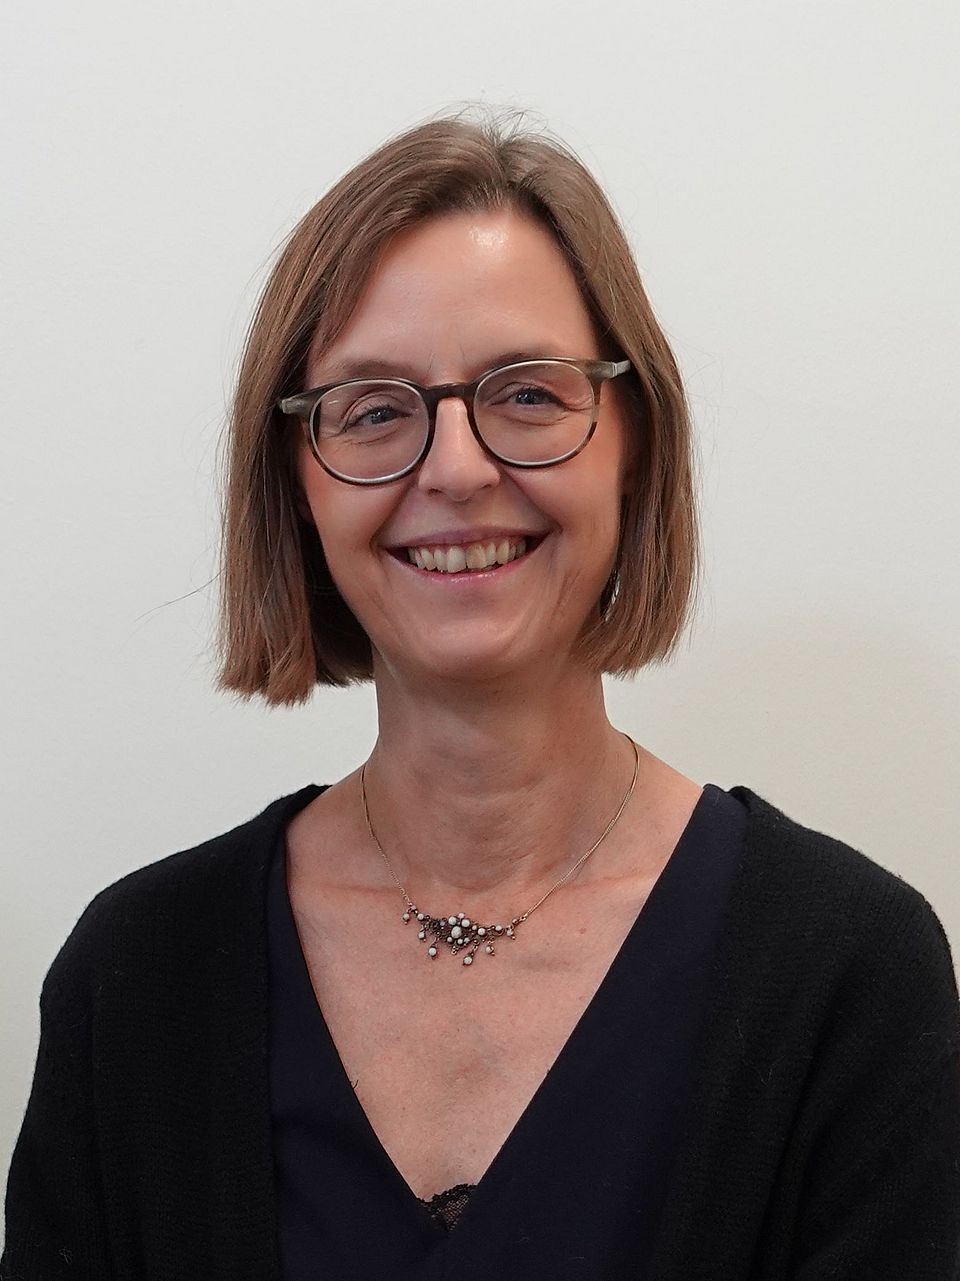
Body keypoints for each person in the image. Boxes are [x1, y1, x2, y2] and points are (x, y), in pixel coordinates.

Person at [3, 110, 959, 1281]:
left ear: (635, 445)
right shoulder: (137, 979)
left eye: (528, 395)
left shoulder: (848, 971)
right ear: (296, 482)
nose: (455, 468)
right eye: (374, 409)